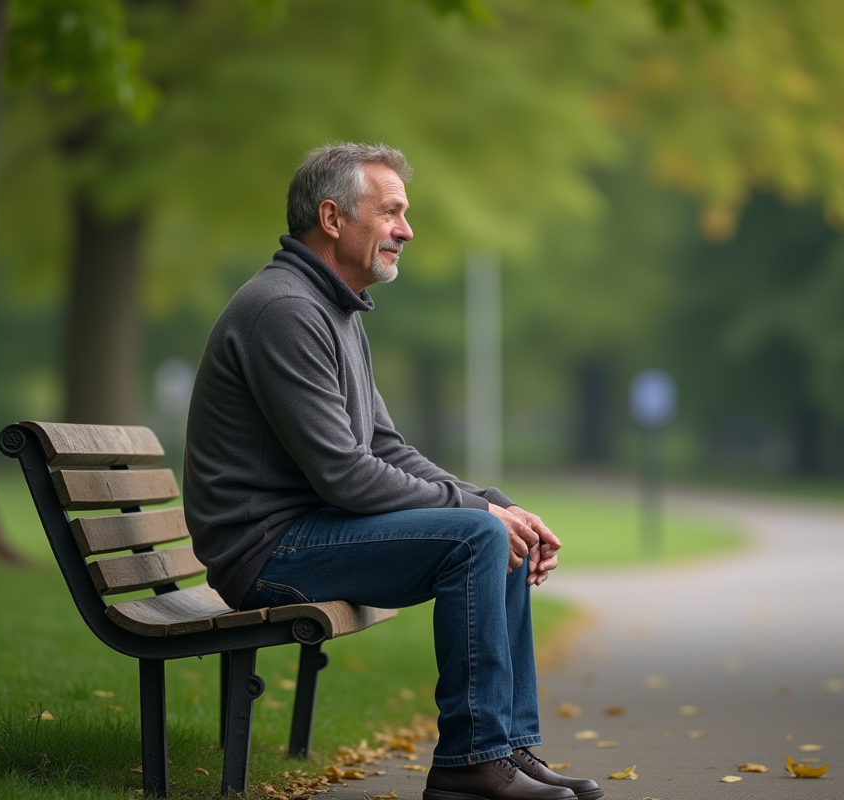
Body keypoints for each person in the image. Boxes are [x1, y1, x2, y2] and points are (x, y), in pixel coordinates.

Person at [184, 143, 602, 800]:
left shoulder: (335, 310)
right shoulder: (285, 311)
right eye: (391, 213)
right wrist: (478, 516)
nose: (406, 230)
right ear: (332, 217)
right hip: (265, 551)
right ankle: (471, 763)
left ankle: (507, 749)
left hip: (305, 532)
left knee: (495, 529)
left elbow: (387, 449)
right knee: (478, 536)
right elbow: (346, 476)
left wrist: (494, 501)